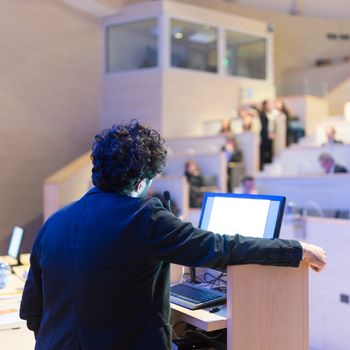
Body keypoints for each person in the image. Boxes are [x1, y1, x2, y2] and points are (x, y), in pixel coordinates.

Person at [20, 120, 327, 350]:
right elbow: (221, 247)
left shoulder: (54, 222)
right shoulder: (144, 217)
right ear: (142, 179)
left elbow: (32, 312)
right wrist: (296, 249)